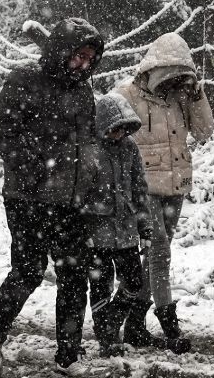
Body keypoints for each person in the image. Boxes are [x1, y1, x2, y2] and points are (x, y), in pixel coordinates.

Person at [0, 17, 105, 376]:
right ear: (62, 50)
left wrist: (90, 177)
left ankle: (69, 355)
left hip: (71, 199)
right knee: (28, 272)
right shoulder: (24, 80)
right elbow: (1, 133)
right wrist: (39, 166)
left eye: (90, 59)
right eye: (79, 56)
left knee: (73, 275)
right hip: (28, 197)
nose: (84, 64)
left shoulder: (82, 90)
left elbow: (88, 139)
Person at [116, 32, 214, 355]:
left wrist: (196, 94)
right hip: (143, 190)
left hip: (175, 187)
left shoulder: (182, 97)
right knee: (159, 253)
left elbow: (204, 131)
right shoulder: (126, 95)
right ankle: (169, 324)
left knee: (155, 257)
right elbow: (106, 129)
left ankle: (134, 322)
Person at [83, 92, 155, 356]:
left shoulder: (130, 148)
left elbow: (140, 189)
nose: (120, 134)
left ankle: (111, 321)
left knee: (134, 282)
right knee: (100, 286)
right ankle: (106, 338)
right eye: (115, 129)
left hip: (125, 232)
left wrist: (144, 226)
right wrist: (83, 229)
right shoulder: (89, 150)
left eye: (125, 129)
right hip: (96, 233)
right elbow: (78, 195)